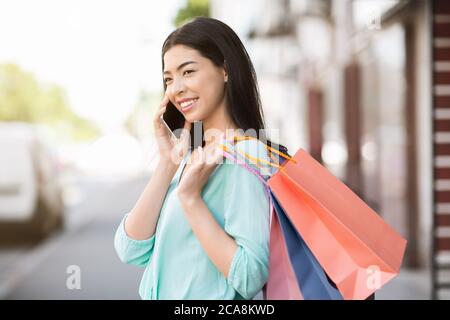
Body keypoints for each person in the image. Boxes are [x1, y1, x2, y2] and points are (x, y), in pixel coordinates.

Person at [114, 17, 284, 300]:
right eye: (168, 78)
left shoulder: (244, 155)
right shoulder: (194, 156)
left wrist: (191, 199)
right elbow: (130, 249)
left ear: (225, 70)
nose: (176, 88)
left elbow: (251, 274)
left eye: (188, 71)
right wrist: (167, 165)